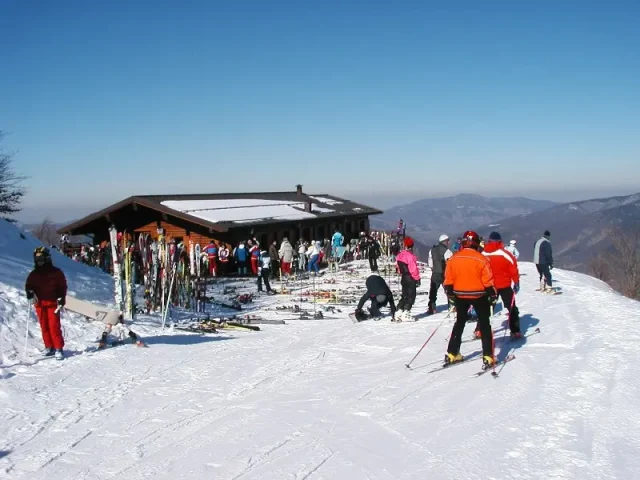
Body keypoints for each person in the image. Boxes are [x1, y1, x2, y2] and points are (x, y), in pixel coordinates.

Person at [443, 230, 497, 370]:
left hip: (460, 294)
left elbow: (448, 280)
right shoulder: (482, 259)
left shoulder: (454, 259)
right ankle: (488, 355)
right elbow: (488, 281)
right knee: (485, 324)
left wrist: (450, 295)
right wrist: (492, 295)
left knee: (459, 323)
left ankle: (452, 352)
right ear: (477, 243)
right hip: (479, 295)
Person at [25, 247, 68, 360]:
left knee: (53, 326)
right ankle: (49, 346)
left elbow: (62, 286)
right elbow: (29, 285)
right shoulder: (34, 274)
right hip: (40, 303)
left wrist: (61, 298)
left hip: (52, 303)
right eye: (37, 259)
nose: (39, 261)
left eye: (41, 259)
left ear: (47, 259)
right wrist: (29, 292)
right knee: (44, 326)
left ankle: (58, 348)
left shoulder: (56, 272)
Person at [482, 232, 522, 339]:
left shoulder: (483, 254)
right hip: (504, 285)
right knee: (511, 307)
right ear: (500, 241)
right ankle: (515, 331)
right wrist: (516, 281)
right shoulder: (505, 254)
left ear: (489, 241)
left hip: (489, 286)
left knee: (486, 309)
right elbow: (513, 267)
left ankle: (480, 330)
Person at [395, 236, 420, 322]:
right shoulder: (410, 256)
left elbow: (398, 268)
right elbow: (413, 269)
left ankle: (399, 311)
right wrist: (417, 278)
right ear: (411, 246)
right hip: (410, 277)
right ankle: (406, 312)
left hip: (403, 277)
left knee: (404, 294)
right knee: (411, 295)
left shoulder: (399, 255)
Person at [427, 234, 453, 315]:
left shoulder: (432, 250)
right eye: (448, 241)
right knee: (449, 290)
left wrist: (434, 269)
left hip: (435, 273)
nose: (448, 242)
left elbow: (430, 263)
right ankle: (452, 306)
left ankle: (432, 307)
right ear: (445, 241)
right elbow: (450, 263)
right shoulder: (447, 251)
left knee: (433, 291)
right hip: (445, 274)